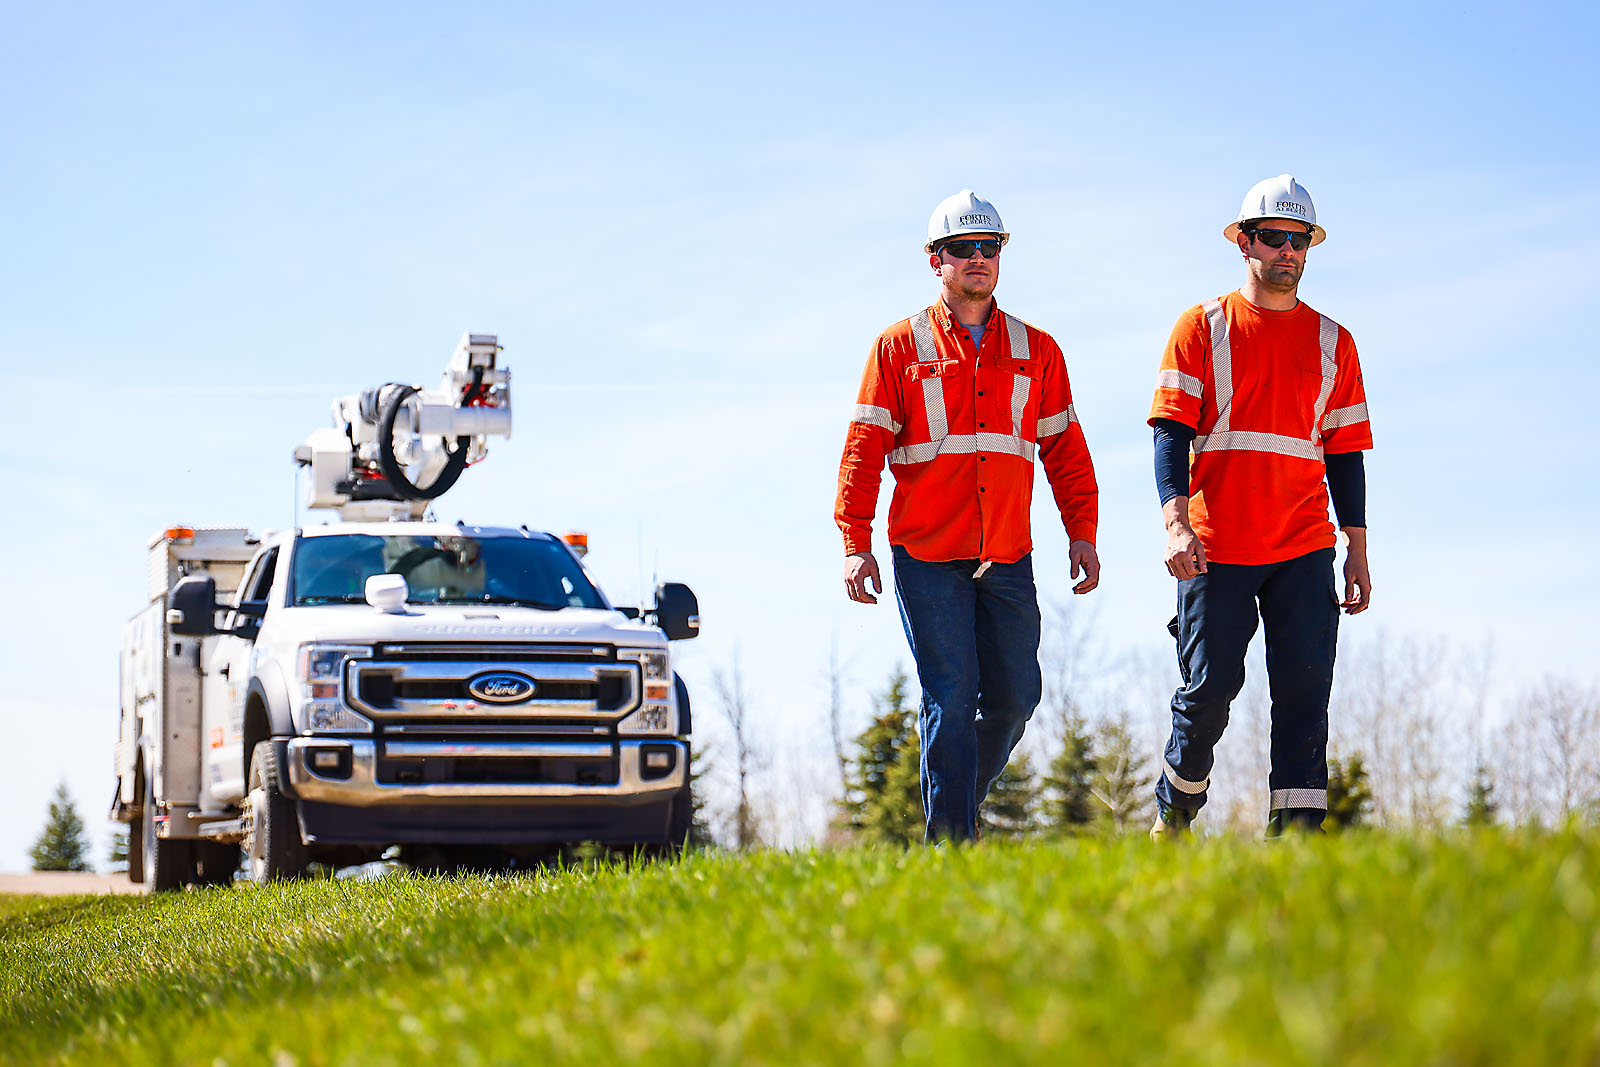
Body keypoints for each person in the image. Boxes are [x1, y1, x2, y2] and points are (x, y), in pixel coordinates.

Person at [836, 190, 1100, 842]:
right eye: (963, 249)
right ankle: (950, 845)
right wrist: (854, 540)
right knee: (950, 697)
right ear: (936, 260)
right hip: (927, 554)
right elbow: (863, 448)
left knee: (1016, 697)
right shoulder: (898, 347)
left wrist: (1082, 533)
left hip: (1007, 551)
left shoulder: (1037, 350)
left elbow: (1065, 448)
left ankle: (951, 800)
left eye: (990, 247)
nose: (978, 259)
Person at [1147, 174, 1373, 838]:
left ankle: (1296, 841)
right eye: (1275, 238)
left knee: (1305, 695)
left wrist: (1357, 547)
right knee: (1209, 690)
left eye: (1300, 241)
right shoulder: (1201, 327)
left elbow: (1346, 453)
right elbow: (1169, 434)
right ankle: (1175, 811)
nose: (1289, 252)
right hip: (1215, 544)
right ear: (1244, 243)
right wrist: (1174, 523)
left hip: (1304, 544)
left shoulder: (1336, 343)